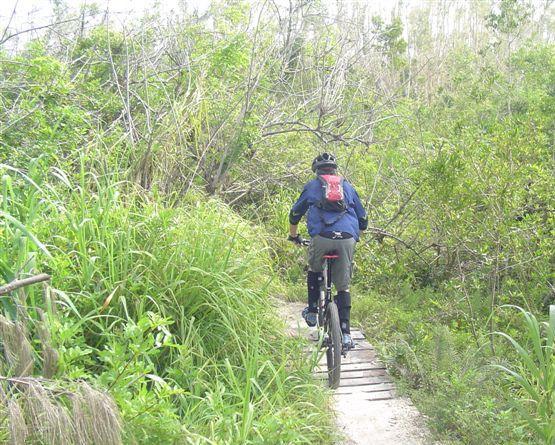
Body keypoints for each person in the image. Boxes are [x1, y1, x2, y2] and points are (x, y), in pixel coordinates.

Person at [288, 153, 368, 349]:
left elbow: (295, 213)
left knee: (314, 270)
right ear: (335, 170)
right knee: (343, 287)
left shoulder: (312, 186)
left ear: (316, 171)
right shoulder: (347, 187)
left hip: (322, 236)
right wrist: (354, 234)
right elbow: (363, 219)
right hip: (347, 238)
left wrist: (293, 235)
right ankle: (346, 334)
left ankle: (314, 311)